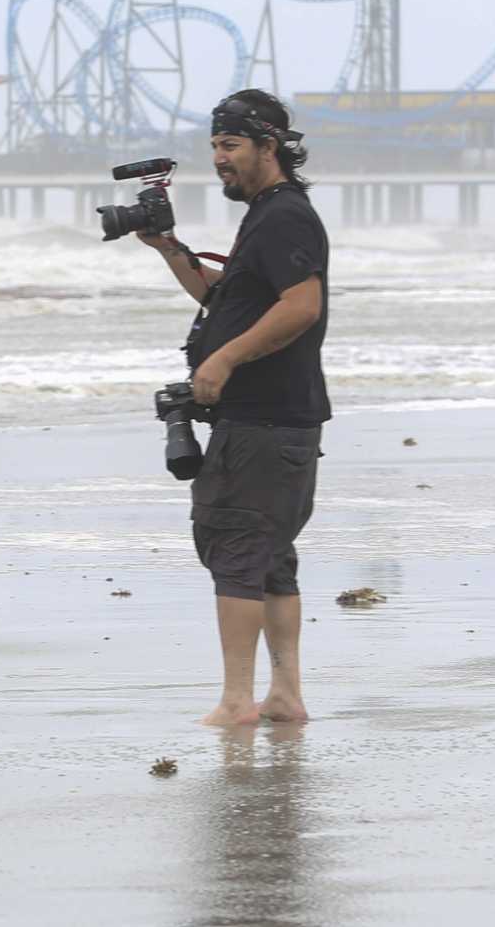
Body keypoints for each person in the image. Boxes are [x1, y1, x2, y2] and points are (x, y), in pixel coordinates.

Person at [134, 90, 330, 726]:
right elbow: (227, 299)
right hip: (276, 418)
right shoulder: (268, 215)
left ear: (268, 148)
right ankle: (284, 694)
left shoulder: (284, 218)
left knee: (236, 546)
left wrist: (221, 363)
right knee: (269, 555)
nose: (219, 158)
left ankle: (236, 701)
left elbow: (301, 306)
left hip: (263, 419)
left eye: (230, 146)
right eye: (214, 146)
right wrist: (169, 248)